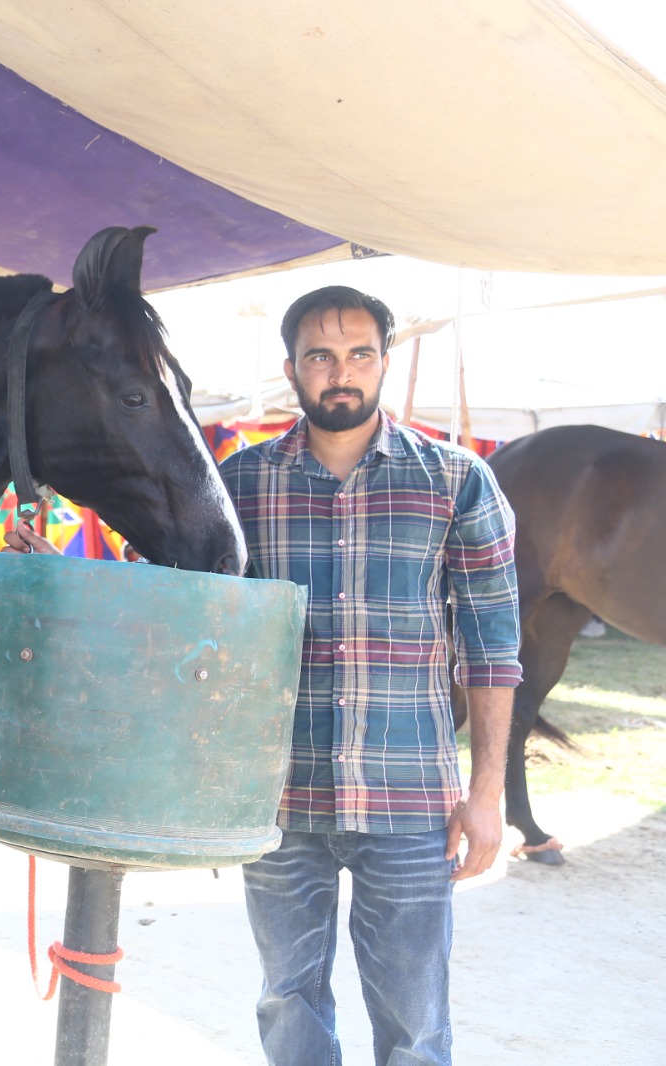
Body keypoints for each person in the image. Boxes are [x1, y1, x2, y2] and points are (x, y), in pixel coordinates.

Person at [217, 285, 521, 1065]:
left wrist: (485, 793)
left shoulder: (457, 481)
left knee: (416, 1026)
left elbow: (492, 647)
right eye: (321, 356)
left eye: (358, 355)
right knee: (288, 1003)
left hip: (411, 797)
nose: (339, 372)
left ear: (385, 363)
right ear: (292, 370)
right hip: (278, 796)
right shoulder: (240, 485)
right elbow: (182, 603)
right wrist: (56, 572)